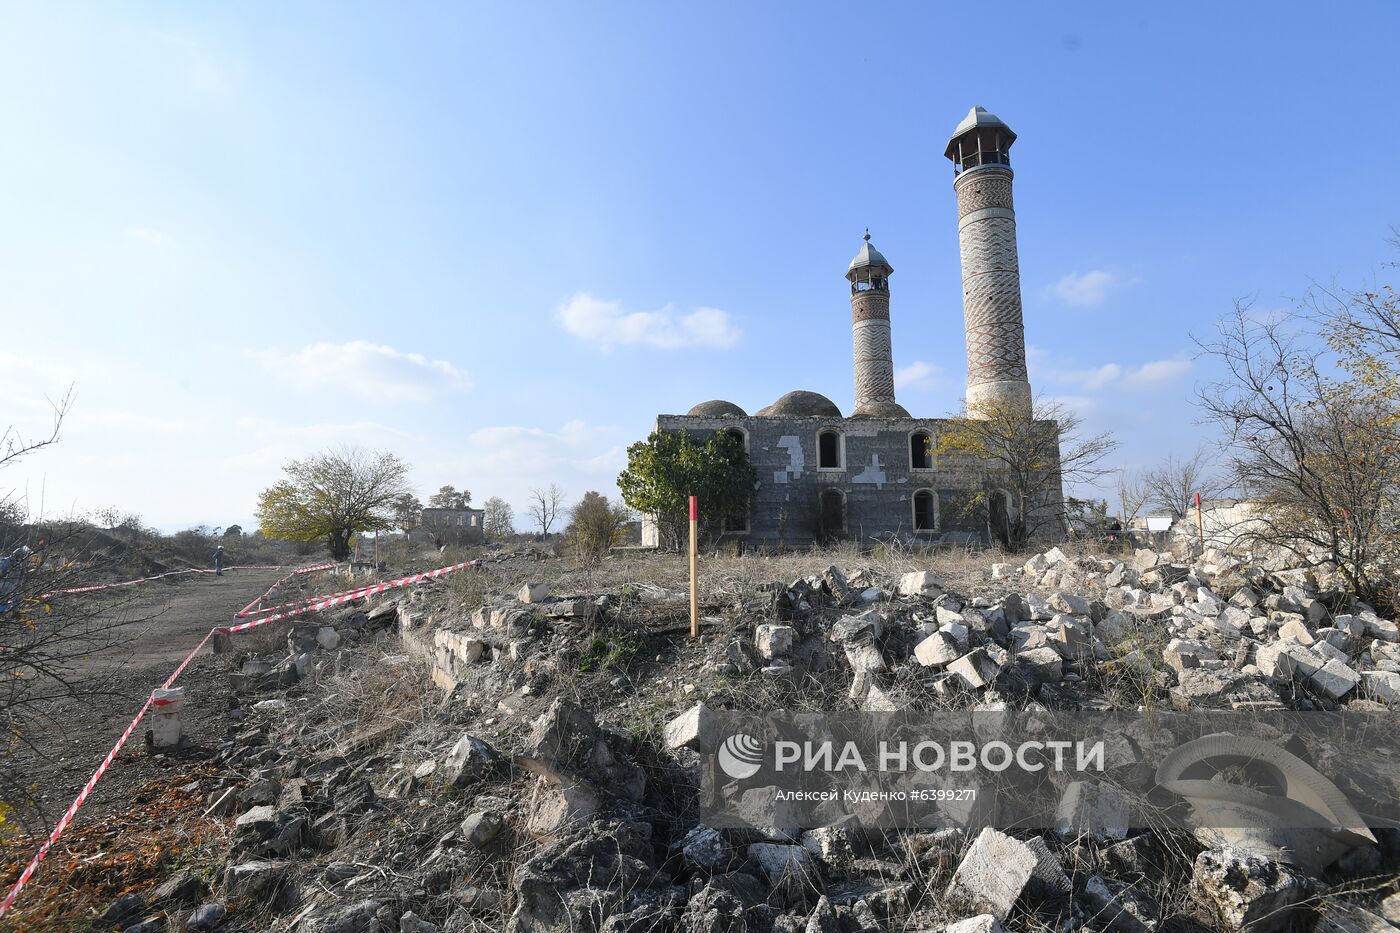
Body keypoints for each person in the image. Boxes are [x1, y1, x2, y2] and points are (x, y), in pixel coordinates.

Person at [0, 545, 33, 613]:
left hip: (12, 585)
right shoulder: (8, 561)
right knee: (6, 599)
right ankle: (2, 611)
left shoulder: (18, 564)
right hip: (5, 584)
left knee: (13, 597)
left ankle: (15, 611)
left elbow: (20, 576)